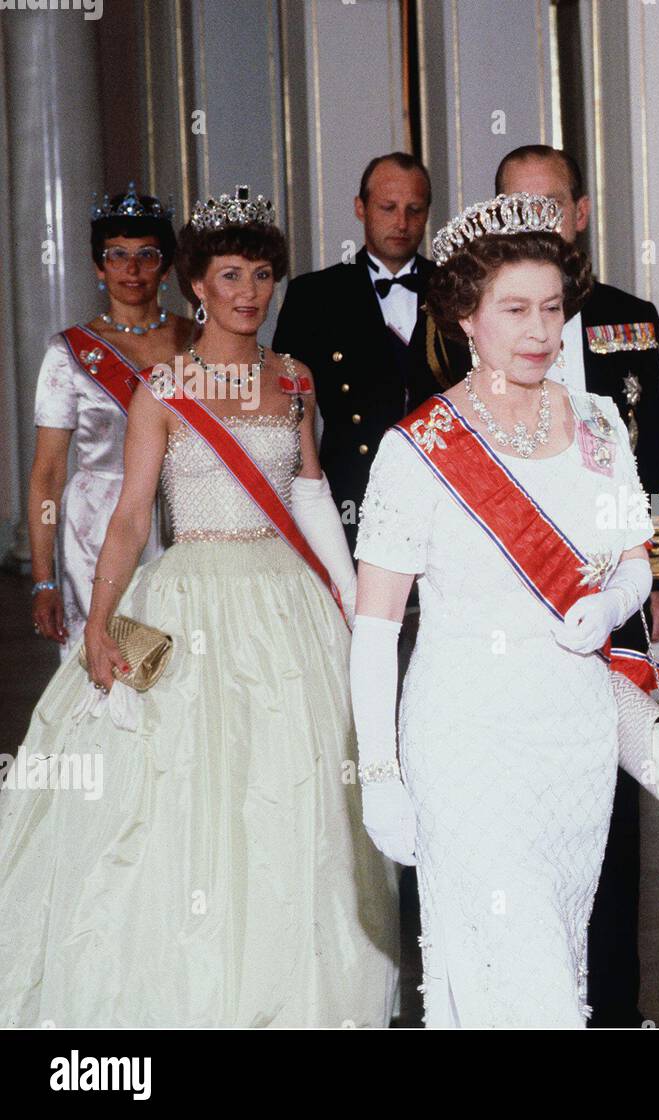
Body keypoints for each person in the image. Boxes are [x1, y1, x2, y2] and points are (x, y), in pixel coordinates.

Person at [0, 186, 398, 1028]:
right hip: (190, 598)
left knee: (301, 802)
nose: (248, 292)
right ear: (198, 288)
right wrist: (99, 623)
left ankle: (295, 994)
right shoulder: (164, 390)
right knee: (184, 798)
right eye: (229, 275)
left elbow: (314, 499)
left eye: (261, 274)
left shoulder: (294, 380)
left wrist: (361, 611)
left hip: (288, 603)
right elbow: (131, 519)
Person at [349, 192, 655, 1028]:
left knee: (552, 952)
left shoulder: (598, 427)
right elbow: (375, 630)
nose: (540, 331)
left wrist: (610, 605)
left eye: (552, 308)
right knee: (524, 979)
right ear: (465, 317)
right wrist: (379, 776)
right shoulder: (418, 450)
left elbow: (634, 560)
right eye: (515, 309)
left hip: (575, 741)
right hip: (467, 741)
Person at [492, 144, 659, 1026]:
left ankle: (613, 1004)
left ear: (582, 212)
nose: (536, 224)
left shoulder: (627, 318)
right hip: (504, 596)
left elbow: (654, 456)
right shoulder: (462, 319)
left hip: (611, 584)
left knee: (614, 801)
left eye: (549, 207)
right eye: (515, 210)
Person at [29, 184, 191, 658]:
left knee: (183, 661)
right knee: (109, 660)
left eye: (147, 255)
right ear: (99, 267)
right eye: (117, 255)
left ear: (166, 266)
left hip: (183, 515)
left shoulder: (196, 341)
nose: (132, 269)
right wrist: (43, 579)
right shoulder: (68, 354)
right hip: (97, 527)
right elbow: (48, 475)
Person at [273, 152, 441, 551]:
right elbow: (283, 411)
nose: (402, 223)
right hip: (352, 491)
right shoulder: (314, 296)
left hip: (442, 486)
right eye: (388, 208)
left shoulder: (458, 288)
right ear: (360, 208)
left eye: (414, 210)